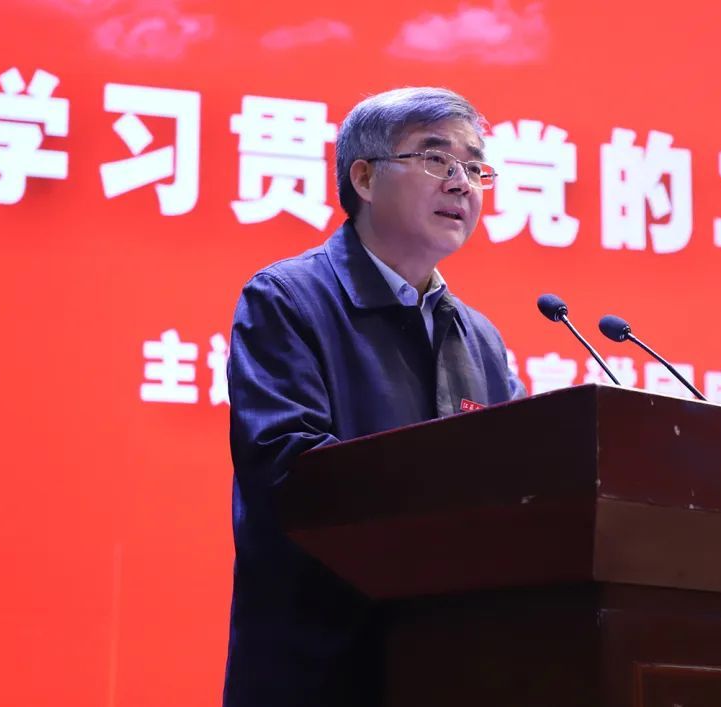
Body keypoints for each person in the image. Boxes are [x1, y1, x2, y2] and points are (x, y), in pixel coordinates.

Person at [222, 87, 527, 706]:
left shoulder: (481, 338)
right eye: (436, 159)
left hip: (453, 668)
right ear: (363, 177)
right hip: (322, 672)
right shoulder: (287, 299)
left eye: (474, 167)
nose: (461, 183)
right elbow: (289, 472)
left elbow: (528, 481)